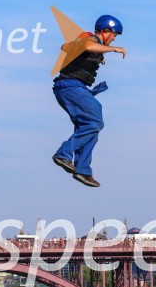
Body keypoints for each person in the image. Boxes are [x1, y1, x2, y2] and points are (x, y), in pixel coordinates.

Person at [52, 14, 127, 188]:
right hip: (71, 87)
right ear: (106, 31)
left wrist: (98, 53)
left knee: (89, 126)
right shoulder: (90, 38)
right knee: (95, 121)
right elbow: (85, 45)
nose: (114, 38)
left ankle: (83, 170)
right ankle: (63, 154)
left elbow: (67, 47)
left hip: (73, 89)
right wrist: (113, 49)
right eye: (114, 35)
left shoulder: (95, 45)